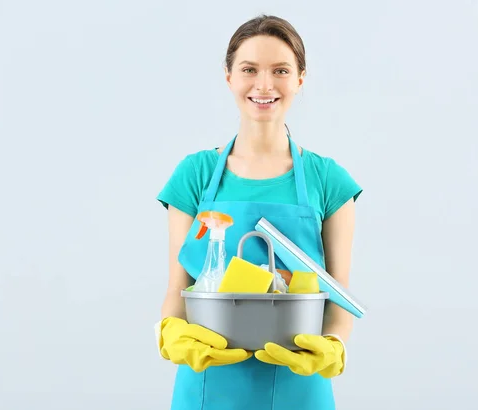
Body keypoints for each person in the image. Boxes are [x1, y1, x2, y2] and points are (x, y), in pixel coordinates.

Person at [155, 14, 362, 410]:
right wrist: (168, 334)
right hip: (208, 385)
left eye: (280, 70)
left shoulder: (329, 181)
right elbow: (176, 291)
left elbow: (338, 299)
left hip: (299, 383)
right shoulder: (194, 175)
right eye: (249, 70)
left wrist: (334, 346)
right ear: (229, 77)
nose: (264, 85)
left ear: (300, 79)